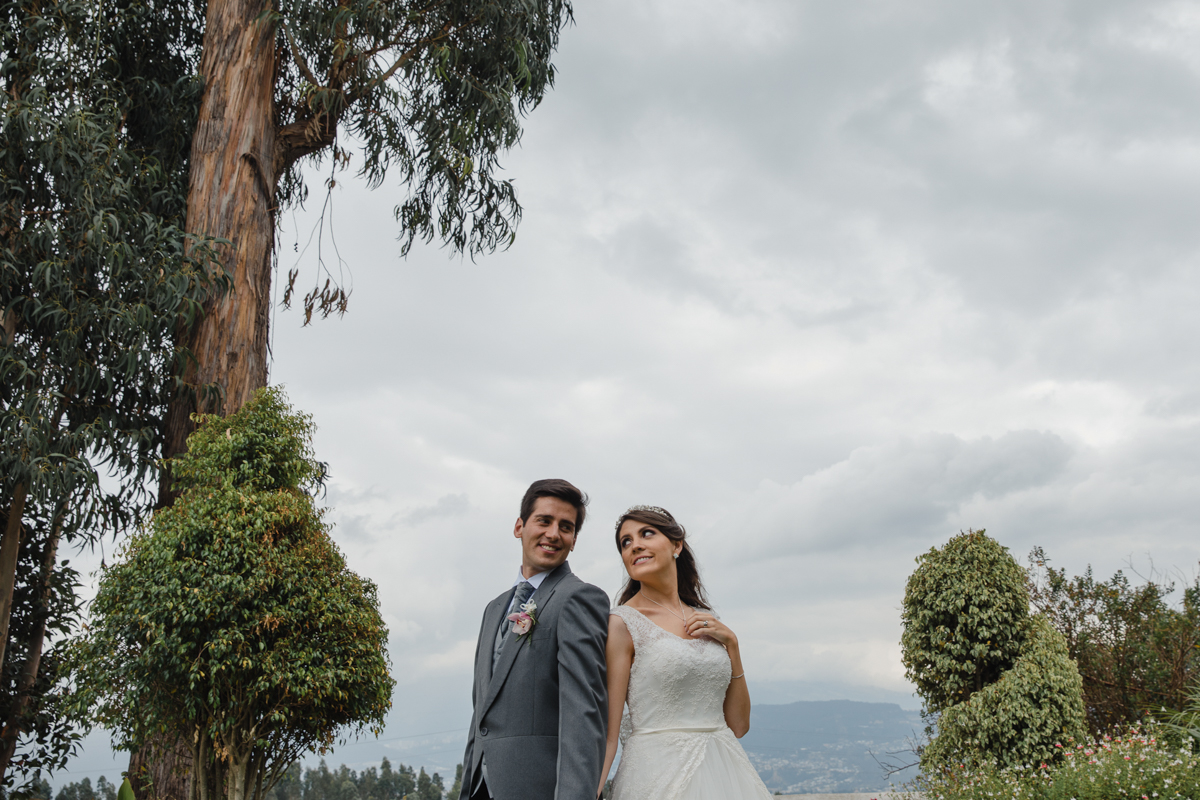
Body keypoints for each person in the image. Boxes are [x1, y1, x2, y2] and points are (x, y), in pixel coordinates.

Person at [599, 505, 772, 800]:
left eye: (647, 533)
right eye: (625, 542)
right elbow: (608, 734)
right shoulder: (622, 623)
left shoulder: (707, 620)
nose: (635, 545)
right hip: (655, 778)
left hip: (726, 774)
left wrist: (733, 645)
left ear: (676, 545)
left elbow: (739, 726)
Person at [460, 479, 610, 800]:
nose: (554, 533)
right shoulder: (494, 609)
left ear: (573, 540)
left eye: (566, 527)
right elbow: (481, 713)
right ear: (519, 527)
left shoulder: (579, 598)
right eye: (544, 520)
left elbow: (584, 719)